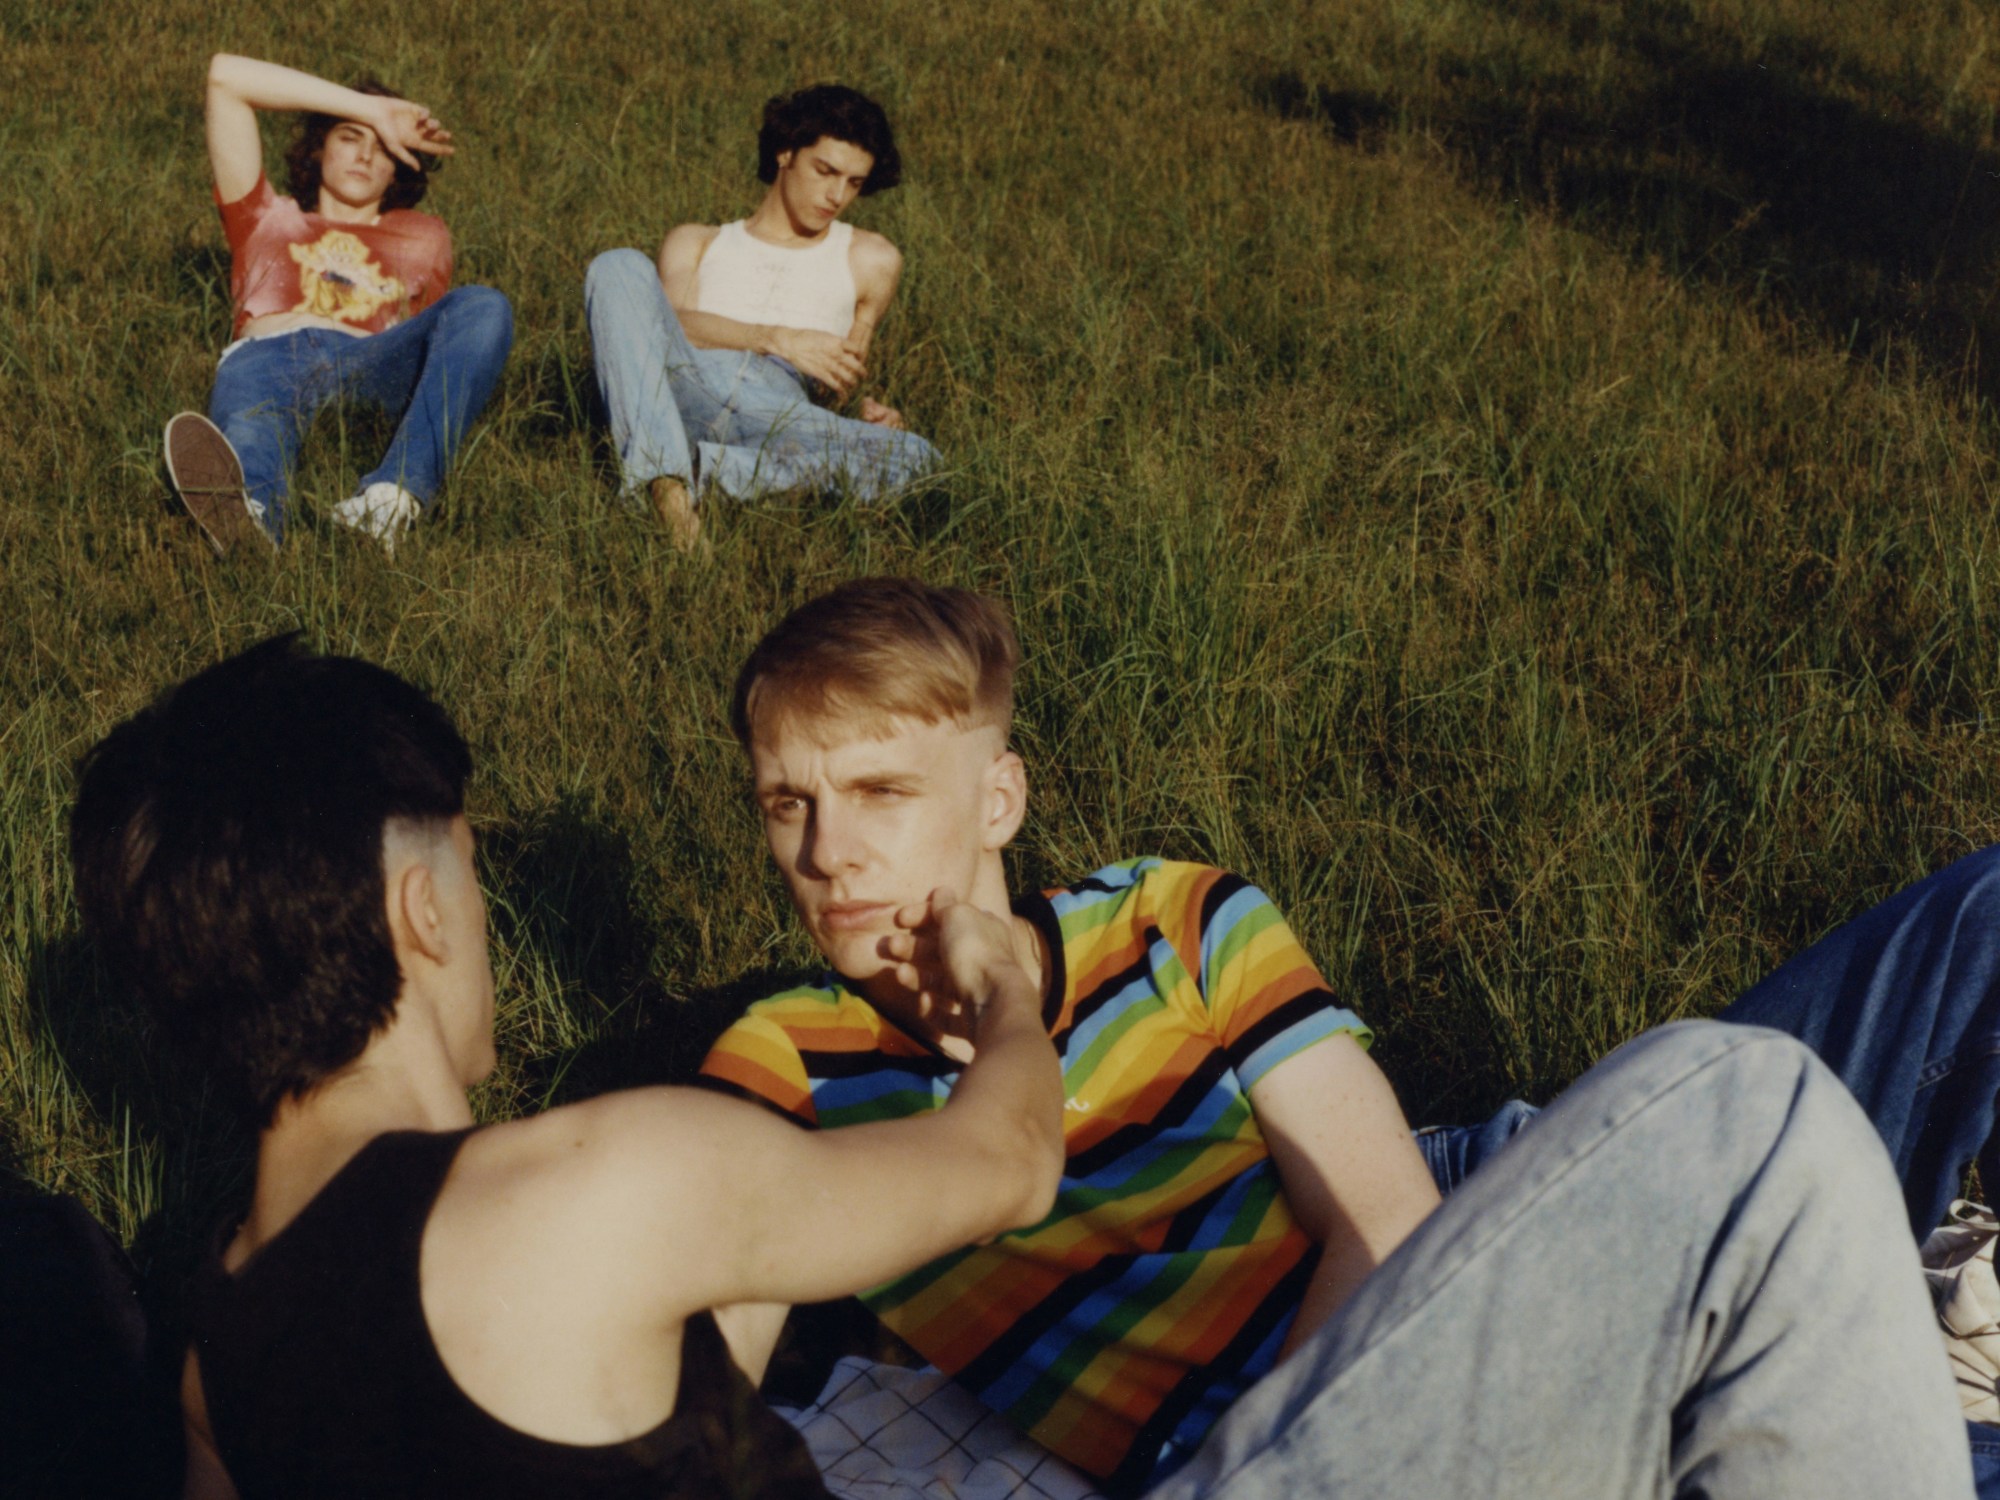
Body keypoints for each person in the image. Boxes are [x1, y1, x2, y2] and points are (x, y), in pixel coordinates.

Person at [700, 575, 1985, 1499]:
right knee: (1743, 1103)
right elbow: (686, 1403)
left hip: (1444, 1239)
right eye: (786, 805)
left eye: (878, 792)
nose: (827, 855)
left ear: (998, 797)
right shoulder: (791, 1061)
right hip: (1284, 1440)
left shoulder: (1168, 909)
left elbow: (1379, 1208)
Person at [67, 635, 1065, 1497]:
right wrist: (1004, 985)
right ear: (420, 910)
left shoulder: (218, 1357)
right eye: (469, 872)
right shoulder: (597, 1188)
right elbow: (1011, 1161)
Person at [162, 55, 514, 557]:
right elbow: (223, 77)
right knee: (250, 425)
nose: (365, 155)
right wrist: (373, 111)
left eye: (381, 147)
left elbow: (446, 350)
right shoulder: (265, 217)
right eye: (350, 136)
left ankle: (387, 502)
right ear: (319, 147)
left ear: (399, 165)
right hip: (267, 356)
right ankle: (248, 522)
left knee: (484, 306)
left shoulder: (424, 237)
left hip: (366, 365)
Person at [584, 85, 937, 550]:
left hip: (776, 409)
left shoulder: (871, 258)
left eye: (853, 183)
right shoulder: (699, 242)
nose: (836, 196)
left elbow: (841, 381)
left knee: (918, 458)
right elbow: (660, 328)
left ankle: (707, 471)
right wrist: (775, 338)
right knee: (618, 265)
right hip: (685, 383)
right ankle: (669, 492)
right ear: (785, 152)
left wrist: (874, 418)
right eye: (825, 170)